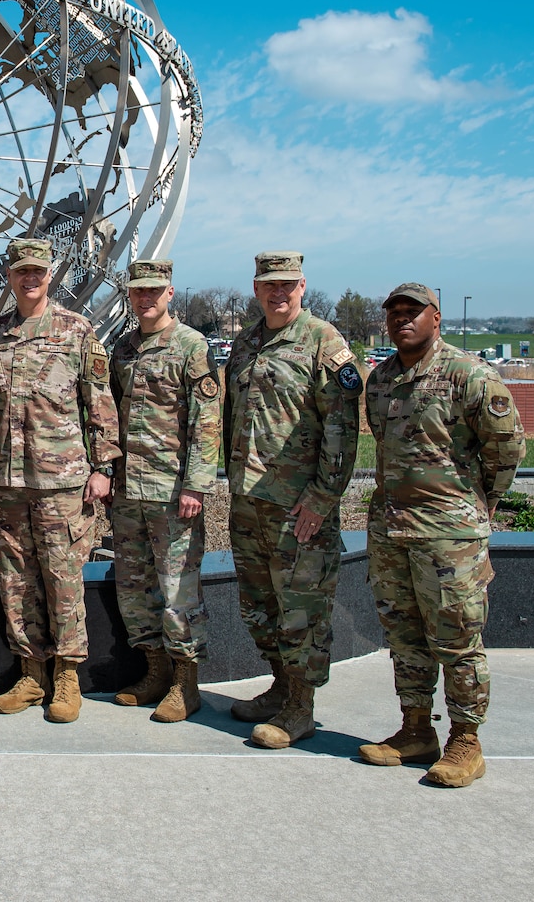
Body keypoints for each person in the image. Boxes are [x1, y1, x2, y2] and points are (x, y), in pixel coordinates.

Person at [357, 283, 525, 787]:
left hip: (449, 535)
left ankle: (465, 740)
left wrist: (476, 504)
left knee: (456, 638)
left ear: (437, 318)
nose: (402, 320)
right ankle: (414, 730)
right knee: (405, 637)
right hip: (391, 529)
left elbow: (508, 449)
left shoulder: (469, 375)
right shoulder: (381, 379)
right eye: (395, 313)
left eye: (414, 312)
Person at [0, 238, 121, 723]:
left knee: (63, 579)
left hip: (62, 481)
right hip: (8, 482)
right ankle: (30, 673)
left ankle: (67, 676)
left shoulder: (76, 331)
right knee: (15, 581)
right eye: (21, 271)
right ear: (11, 276)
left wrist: (103, 467)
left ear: (50, 274)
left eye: (37, 270)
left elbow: (98, 402)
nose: (29, 278)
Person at [223, 251, 363, 748]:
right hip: (248, 501)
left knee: (302, 611)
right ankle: (281, 687)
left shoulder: (325, 342)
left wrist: (321, 500)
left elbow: (343, 433)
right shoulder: (245, 343)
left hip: (299, 509)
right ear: (256, 289)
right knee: (261, 606)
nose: (277, 293)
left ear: (302, 286)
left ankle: (301, 708)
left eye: (286, 285)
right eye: (268, 285)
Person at [108, 259, 221, 722]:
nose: (146, 298)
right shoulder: (123, 348)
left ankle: (184, 683)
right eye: (138, 291)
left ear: (170, 292)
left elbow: (207, 421)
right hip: (128, 491)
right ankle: (154, 671)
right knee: (135, 590)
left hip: (172, 492)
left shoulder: (191, 346)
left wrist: (196, 484)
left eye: (154, 290)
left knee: (178, 591)